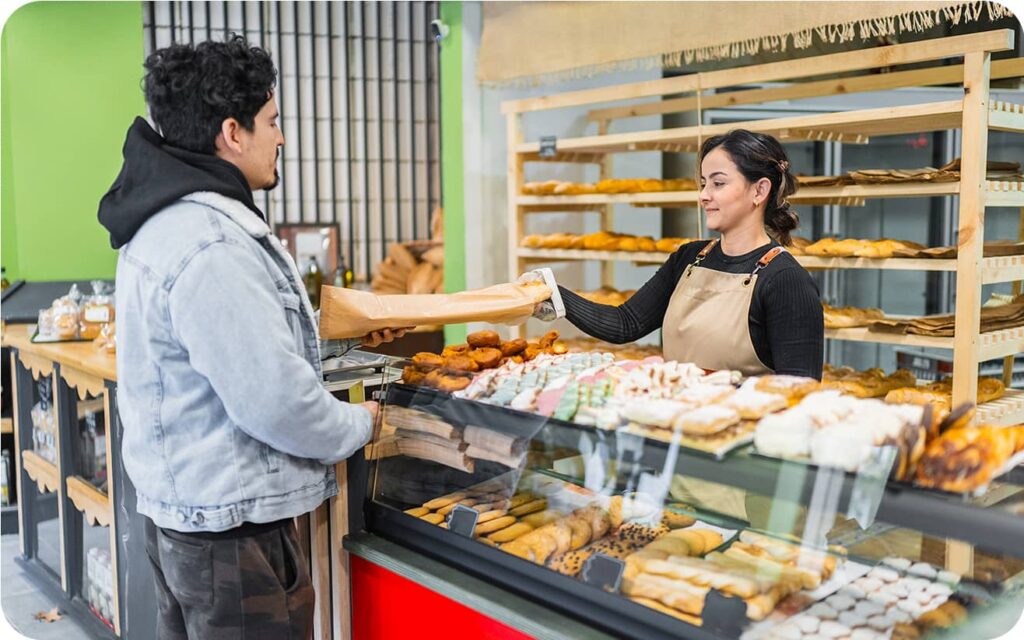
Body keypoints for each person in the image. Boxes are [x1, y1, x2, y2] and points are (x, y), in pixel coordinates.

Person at [98, 37, 401, 639]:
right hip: (230, 537)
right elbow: (276, 402)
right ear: (232, 133)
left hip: (188, 519)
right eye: (273, 121)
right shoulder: (213, 242)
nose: (281, 137)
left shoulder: (163, 219)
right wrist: (362, 424)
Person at [535, 129, 823, 380]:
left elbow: (799, 393)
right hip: (675, 428)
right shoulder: (690, 258)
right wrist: (551, 293)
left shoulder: (786, 280)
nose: (703, 195)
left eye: (718, 183)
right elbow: (626, 323)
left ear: (759, 190)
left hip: (736, 436)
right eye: (702, 183)